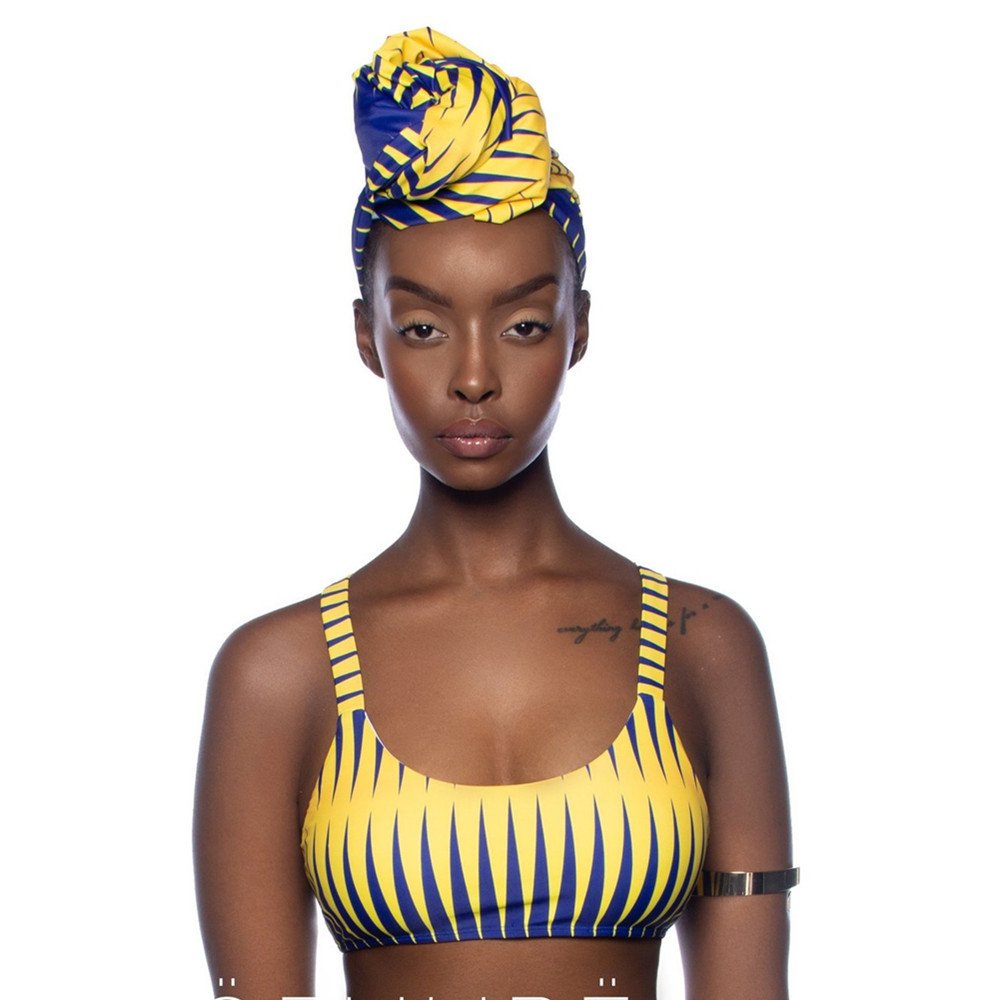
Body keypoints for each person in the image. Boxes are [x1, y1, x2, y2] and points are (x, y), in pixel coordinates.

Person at [193, 27, 797, 1000]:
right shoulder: (277, 674)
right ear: (367, 337)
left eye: (521, 324)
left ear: (579, 326)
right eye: (422, 326)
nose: (473, 377)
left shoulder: (704, 646)